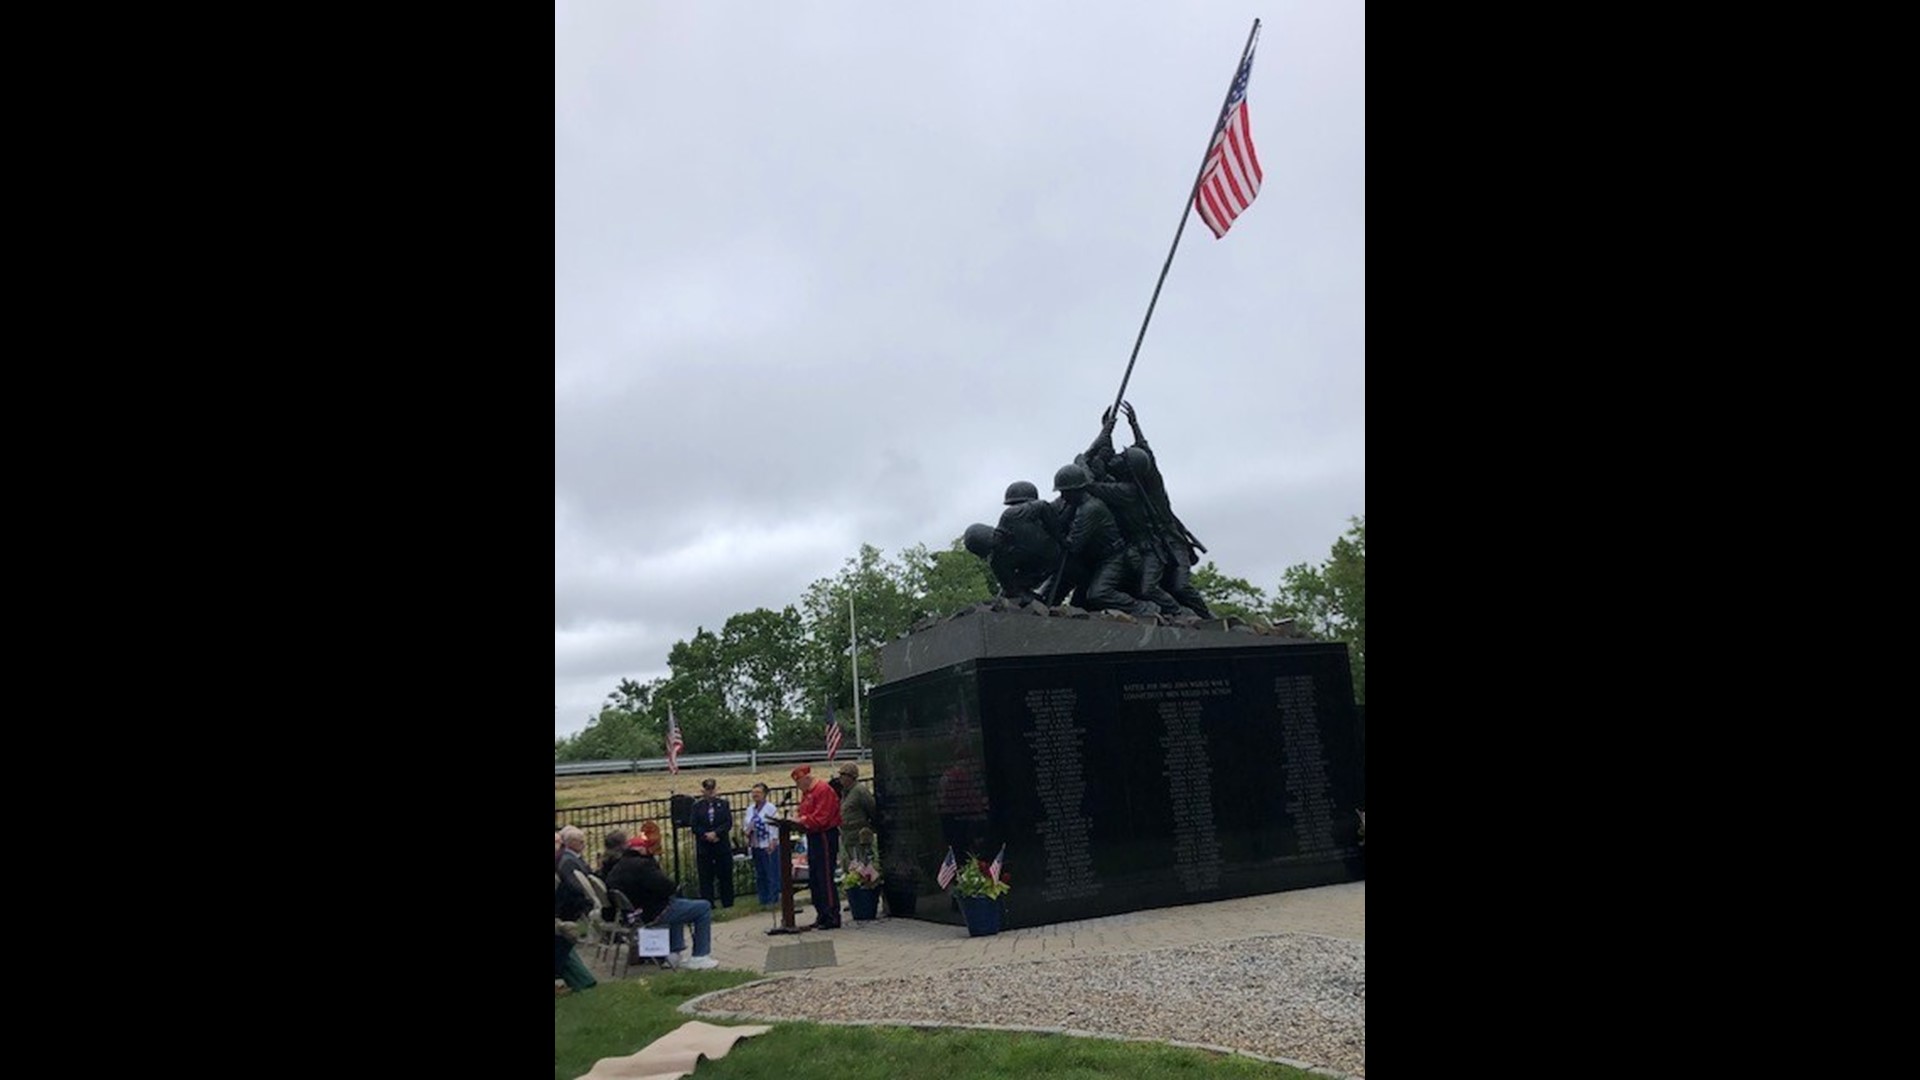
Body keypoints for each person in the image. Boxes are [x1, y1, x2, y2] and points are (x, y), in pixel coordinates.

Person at [603, 827, 718, 970]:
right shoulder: (643, 866)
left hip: (633, 914)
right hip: (652, 912)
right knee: (703, 907)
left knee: (679, 907)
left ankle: (673, 953)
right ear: (640, 850)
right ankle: (700, 956)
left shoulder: (618, 867)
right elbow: (668, 887)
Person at [1052, 462, 1156, 616]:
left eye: (1065, 492)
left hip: (1114, 558)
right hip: (1096, 561)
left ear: (1076, 490)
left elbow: (1073, 545)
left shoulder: (1090, 509)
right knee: (1078, 604)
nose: (1062, 497)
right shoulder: (1077, 506)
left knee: (1099, 594)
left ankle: (1146, 609)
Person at [791, 765, 842, 929]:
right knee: (815, 877)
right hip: (813, 835)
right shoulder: (807, 793)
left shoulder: (822, 790)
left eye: (799, 782)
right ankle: (822, 913)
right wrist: (798, 819)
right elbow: (804, 812)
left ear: (807, 778)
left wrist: (803, 820)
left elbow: (822, 817)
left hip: (825, 835)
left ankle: (832, 915)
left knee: (824, 875)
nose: (798, 787)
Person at [690, 778, 735, 908]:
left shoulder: (723, 804)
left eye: (712, 790)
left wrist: (716, 833)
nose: (710, 792)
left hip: (721, 845)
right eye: (707, 790)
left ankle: (728, 902)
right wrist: (706, 835)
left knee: (725, 875)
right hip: (705, 847)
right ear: (703, 791)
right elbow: (694, 825)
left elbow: (727, 823)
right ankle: (708, 903)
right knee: (706, 877)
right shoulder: (697, 807)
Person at [744, 782, 782, 906]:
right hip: (756, 844)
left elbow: (775, 825)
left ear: (765, 794)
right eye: (753, 792)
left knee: (771, 871)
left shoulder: (770, 808)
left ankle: (773, 898)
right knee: (760, 874)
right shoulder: (750, 809)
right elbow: (746, 824)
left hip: (768, 844)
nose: (755, 795)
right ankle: (763, 899)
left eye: (758, 793)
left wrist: (773, 841)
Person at [835, 762, 877, 869]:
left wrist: (870, 827)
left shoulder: (860, 791)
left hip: (858, 836)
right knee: (851, 865)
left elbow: (872, 809)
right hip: (847, 835)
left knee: (863, 865)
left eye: (843, 775)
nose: (840, 778)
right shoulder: (845, 792)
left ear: (851, 777)